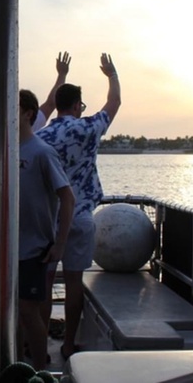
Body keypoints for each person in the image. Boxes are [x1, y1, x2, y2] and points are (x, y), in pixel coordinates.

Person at [0, 51, 71, 344]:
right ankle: (30, 345)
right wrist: (61, 75)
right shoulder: (28, 131)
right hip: (26, 232)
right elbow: (49, 106)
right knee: (31, 297)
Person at [36, 52, 121, 361]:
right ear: (76, 106)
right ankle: (69, 344)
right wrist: (112, 75)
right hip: (82, 218)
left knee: (44, 284)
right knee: (74, 283)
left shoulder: (41, 137)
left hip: (50, 222)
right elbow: (114, 104)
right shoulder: (88, 129)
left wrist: (58, 75)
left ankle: (40, 345)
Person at [16, 89, 74, 370]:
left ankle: (39, 370)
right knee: (12, 312)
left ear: (29, 113)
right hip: (7, 246)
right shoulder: (2, 150)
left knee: (28, 311)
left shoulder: (42, 152)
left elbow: (67, 197)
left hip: (34, 247)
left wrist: (59, 243)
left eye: (13, 108)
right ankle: (14, 366)